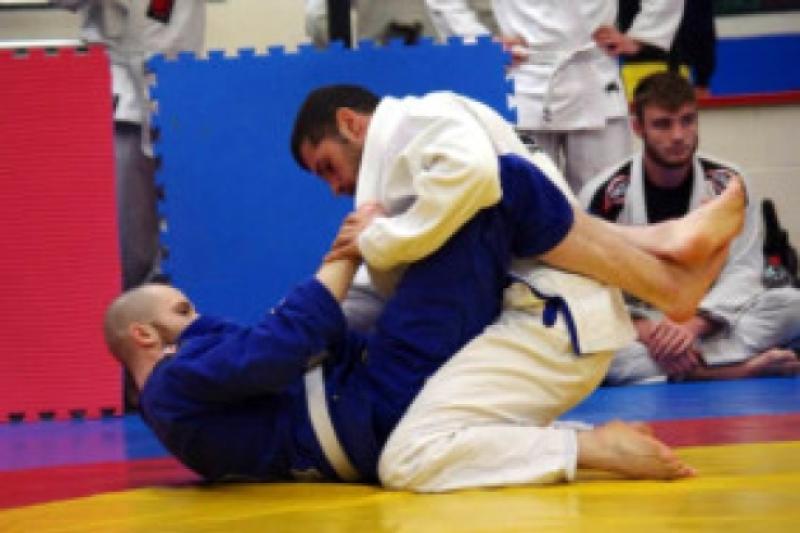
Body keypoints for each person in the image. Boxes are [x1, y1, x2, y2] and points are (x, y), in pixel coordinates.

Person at [290, 85, 744, 492]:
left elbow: (485, 179)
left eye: (327, 166)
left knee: (408, 456)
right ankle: (662, 252)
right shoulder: (425, 149)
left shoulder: (415, 125)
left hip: (550, 318)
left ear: (351, 123)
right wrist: (300, 326)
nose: (334, 187)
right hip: (554, 311)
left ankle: (592, 440)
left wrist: (376, 239)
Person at [579, 72, 800, 385]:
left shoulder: (728, 184)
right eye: (663, 124)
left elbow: (745, 269)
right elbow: (592, 287)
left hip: (711, 320)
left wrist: (692, 327)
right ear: (638, 127)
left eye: (687, 121)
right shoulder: (604, 194)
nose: (678, 135)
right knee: (594, 349)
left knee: (791, 305)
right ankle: (734, 369)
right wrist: (647, 331)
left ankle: (684, 367)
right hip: (644, 326)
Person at [423, 0, 683, 193]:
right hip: (523, 76)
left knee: (607, 202)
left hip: (594, 75)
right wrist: (477, 40)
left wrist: (644, 35)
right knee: (525, 205)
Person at [51, 0, 206, 289]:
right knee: (124, 231)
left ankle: (164, 294)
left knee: (185, 219)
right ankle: (129, 294)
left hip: (178, 85)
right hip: (116, 88)